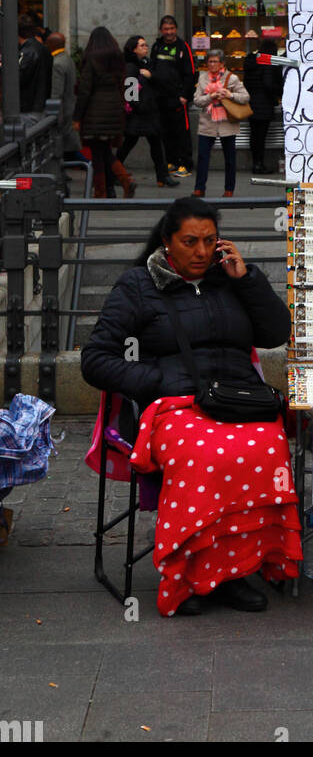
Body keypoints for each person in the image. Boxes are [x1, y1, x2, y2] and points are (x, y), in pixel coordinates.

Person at [80, 196, 301, 616]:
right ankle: (189, 574)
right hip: (173, 407)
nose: (201, 252)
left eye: (209, 241)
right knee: (203, 456)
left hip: (237, 400)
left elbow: (275, 333)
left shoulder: (229, 279)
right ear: (167, 242)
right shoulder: (138, 286)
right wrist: (158, 382)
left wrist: (247, 279)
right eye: (189, 242)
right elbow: (95, 360)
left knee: (266, 446)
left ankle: (234, 571)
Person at [73, 27, 136, 199]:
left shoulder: (91, 59)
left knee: (98, 153)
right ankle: (120, 182)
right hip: (114, 110)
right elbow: (123, 84)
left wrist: (77, 117)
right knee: (105, 150)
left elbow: (85, 90)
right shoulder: (117, 58)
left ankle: (104, 189)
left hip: (95, 111)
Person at [117, 37, 179, 188]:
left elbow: (160, 82)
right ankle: (113, 172)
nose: (146, 47)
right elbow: (130, 94)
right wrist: (140, 107)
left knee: (156, 145)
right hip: (138, 114)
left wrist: (151, 76)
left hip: (150, 113)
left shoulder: (148, 63)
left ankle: (162, 176)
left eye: (146, 45)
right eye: (142, 45)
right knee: (128, 145)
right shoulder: (131, 67)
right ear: (134, 49)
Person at [192, 49, 249, 198]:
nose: (212, 64)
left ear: (222, 63)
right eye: (209, 61)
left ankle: (229, 190)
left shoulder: (232, 78)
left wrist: (230, 95)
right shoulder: (202, 78)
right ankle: (199, 188)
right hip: (207, 123)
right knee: (203, 157)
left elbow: (245, 97)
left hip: (227, 124)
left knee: (230, 158)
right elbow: (197, 101)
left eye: (215, 61)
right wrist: (210, 97)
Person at [150, 15, 195, 177]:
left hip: (177, 98)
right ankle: (171, 161)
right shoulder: (156, 46)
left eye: (171, 29)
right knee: (165, 132)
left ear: (176, 29)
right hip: (160, 98)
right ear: (161, 30)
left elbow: (190, 74)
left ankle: (185, 164)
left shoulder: (183, 47)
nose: (168, 32)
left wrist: (184, 96)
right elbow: (152, 69)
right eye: (165, 29)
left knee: (181, 132)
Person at [242, 40, 285, 174]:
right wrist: (280, 91)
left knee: (254, 136)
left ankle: (256, 163)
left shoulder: (250, 62)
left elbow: (246, 83)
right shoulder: (267, 64)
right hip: (263, 105)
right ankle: (259, 165)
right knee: (260, 137)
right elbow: (268, 84)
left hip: (251, 103)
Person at [46, 31, 87, 163]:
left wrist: (53, 113)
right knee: (67, 148)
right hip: (70, 107)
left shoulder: (57, 63)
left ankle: (88, 165)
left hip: (63, 111)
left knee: (67, 147)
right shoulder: (67, 59)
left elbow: (56, 92)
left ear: (51, 45)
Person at [18, 13, 53, 114]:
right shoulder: (43, 49)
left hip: (29, 107)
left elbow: (19, 78)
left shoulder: (27, 53)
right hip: (41, 104)